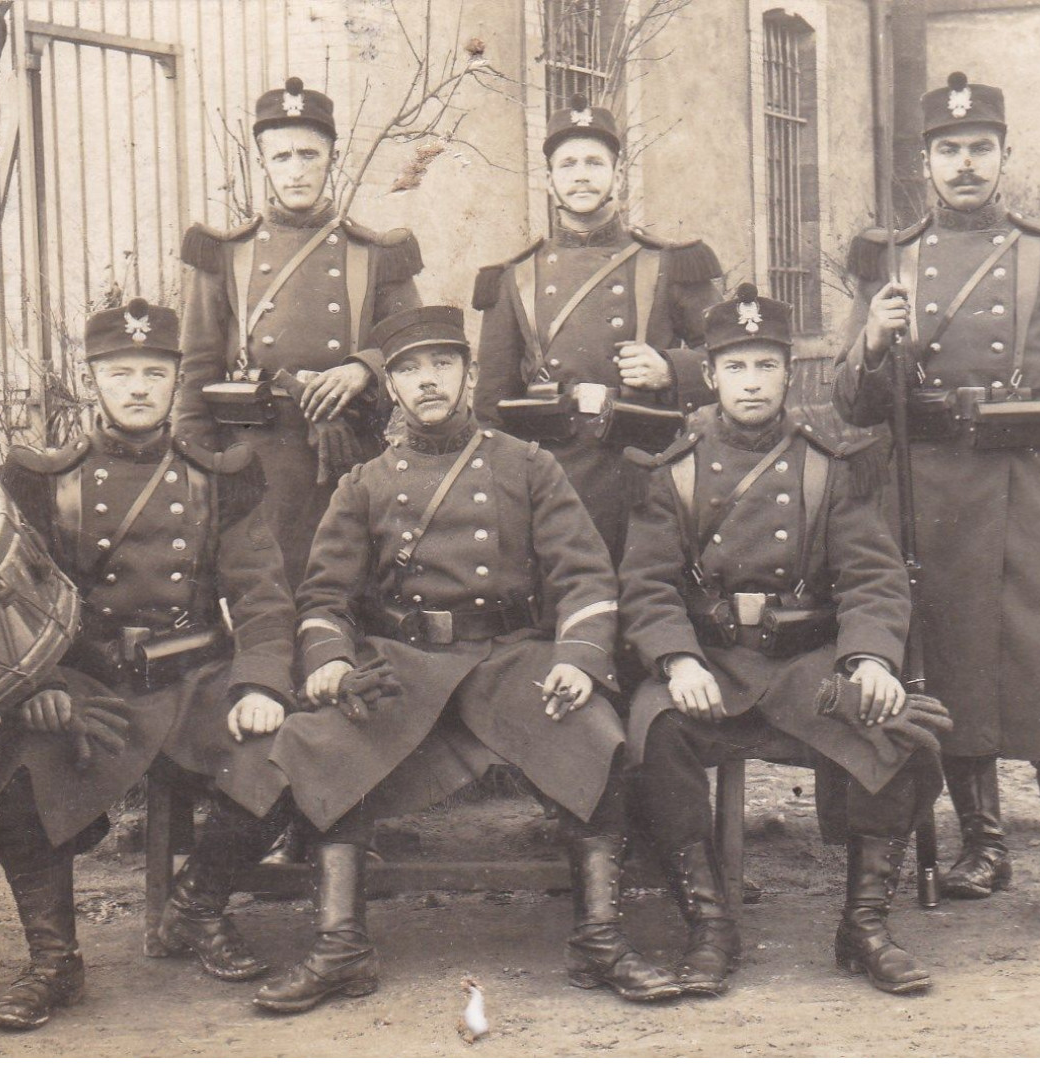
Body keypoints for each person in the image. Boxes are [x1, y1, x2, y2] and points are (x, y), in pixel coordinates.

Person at [254, 305, 685, 1015]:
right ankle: (340, 947)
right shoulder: (363, 482)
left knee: (592, 733)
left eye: (442, 365)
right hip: (403, 659)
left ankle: (599, 941)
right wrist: (329, 658)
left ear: (465, 373)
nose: (428, 381)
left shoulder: (527, 465)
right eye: (410, 370)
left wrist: (578, 658)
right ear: (390, 386)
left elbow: (583, 575)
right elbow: (324, 596)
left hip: (507, 657)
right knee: (328, 735)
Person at [838, 72, 1040, 937]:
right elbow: (851, 405)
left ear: (1004, 156)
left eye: (978, 149)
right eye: (946, 150)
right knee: (953, 664)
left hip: (1038, 485)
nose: (962, 165)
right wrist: (872, 340)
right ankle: (983, 843)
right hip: (931, 492)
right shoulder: (886, 260)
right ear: (923, 161)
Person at [621, 283, 948, 996]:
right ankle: (708, 927)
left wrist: (868, 657)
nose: (749, 383)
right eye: (734, 367)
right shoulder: (672, 469)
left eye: (764, 366)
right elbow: (645, 585)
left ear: (787, 374)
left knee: (889, 722)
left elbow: (872, 578)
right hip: (710, 662)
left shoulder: (826, 466)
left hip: (805, 662)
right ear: (709, 376)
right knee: (655, 732)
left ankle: (863, 928)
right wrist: (674, 658)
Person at [0, 299, 296, 1030]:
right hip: (88, 684)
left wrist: (259, 682)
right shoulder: (36, 477)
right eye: (119, 372)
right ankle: (54, 965)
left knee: (289, 756)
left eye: (153, 373)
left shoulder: (222, 477)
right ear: (91, 379)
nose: (136, 388)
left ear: (176, 381)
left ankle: (196, 907)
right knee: (19, 804)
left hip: (195, 681)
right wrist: (39, 683)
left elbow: (261, 596)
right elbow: (13, 602)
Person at [176, 75, 423, 590]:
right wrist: (195, 472)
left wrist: (364, 367)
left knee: (344, 590)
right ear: (262, 163)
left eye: (309, 155)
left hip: (348, 452)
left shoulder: (373, 252)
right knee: (263, 596)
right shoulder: (226, 253)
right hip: (253, 460)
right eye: (282, 156)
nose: (296, 170)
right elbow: (196, 371)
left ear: (331, 159)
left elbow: (415, 344)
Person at [472, 92, 723, 564]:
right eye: (567, 165)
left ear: (619, 176)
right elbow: (489, 403)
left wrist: (671, 369)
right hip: (551, 474)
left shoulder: (668, 263)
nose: (581, 174)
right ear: (549, 181)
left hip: (644, 470)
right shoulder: (515, 277)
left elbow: (732, 357)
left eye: (594, 162)